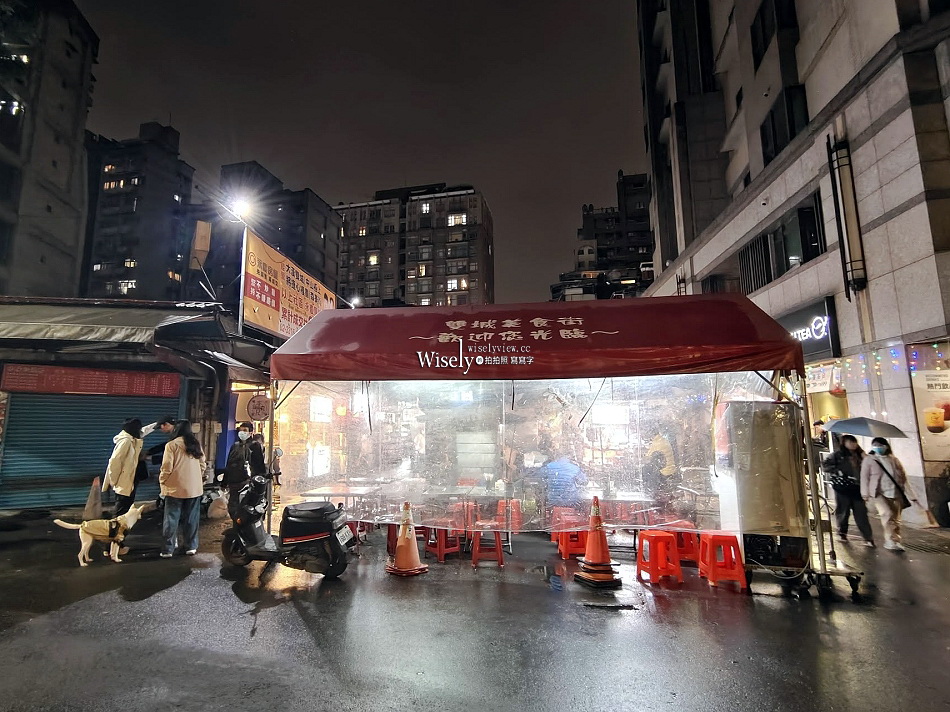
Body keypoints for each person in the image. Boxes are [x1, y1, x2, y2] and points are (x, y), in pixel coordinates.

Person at [860, 437, 919, 551]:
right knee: (887, 514)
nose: (878, 447)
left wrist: (912, 495)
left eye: (880, 445)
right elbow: (864, 477)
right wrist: (865, 493)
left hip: (895, 492)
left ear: (886, 446)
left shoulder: (894, 460)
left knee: (895, 519)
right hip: (878, 493)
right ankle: (890, 540)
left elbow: (903, 478)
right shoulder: (869, 460)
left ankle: (896, 540)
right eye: (875, 445)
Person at [158, 420, 206, 557]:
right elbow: (202, 464)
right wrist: (196, 477)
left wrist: (163, 480)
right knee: (191, 518)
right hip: (194, 489)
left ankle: (168, 549)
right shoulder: (196, 444)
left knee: (171, 518)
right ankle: (191, 547)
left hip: (175, 488)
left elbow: (167, 467)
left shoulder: (171, 445)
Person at [822, 435, 874, 547]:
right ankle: (842, 533)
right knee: (843, 512)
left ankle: (868, 537)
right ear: (844, 443)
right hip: (843, 488)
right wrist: (838, 470)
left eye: (854, 442)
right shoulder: (838, 455)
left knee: (861, 513)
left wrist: (867, 458)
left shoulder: (861, 455)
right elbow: (825, 466)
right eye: (850, 442)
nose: (853, 444)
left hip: (858, 488)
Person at [102, 418, 145, 517]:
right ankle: (115, 530)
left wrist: (156, 424)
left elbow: (145, 430)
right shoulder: (126, 441)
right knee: (121, 509)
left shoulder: (131, 440)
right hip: (123, 480)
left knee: (125, 507)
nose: (141, 431)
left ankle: (121, 530)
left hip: (129, 479)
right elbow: (115, 461)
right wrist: (114, 481)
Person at [223, 422, 257, 516]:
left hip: (246, 482)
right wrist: (225, 481)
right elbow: (229, 464)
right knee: (233, 508)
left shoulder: (254, 446)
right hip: (233, 482)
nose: (242, 432)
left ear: (251, 432)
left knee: (244, 508)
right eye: (241, 430)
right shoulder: (235, 446)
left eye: (245, 430)